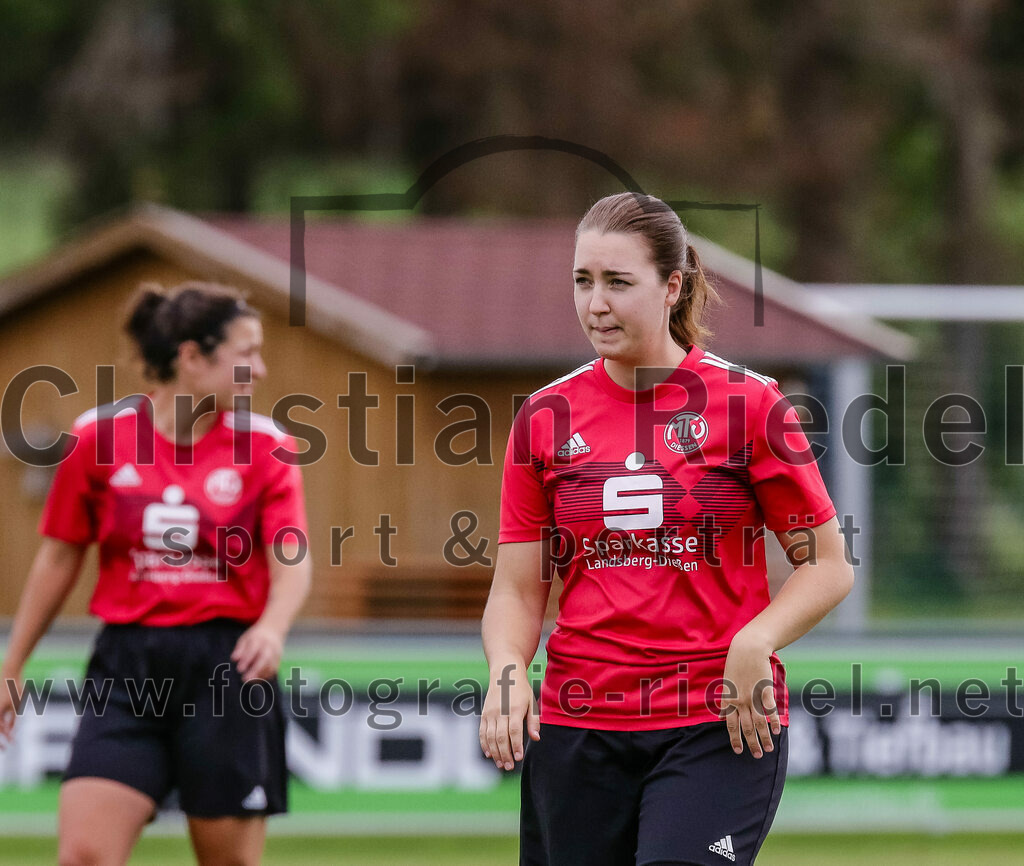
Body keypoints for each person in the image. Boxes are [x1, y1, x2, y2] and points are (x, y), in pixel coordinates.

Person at [479, 193, 854, 866]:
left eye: (618, 282)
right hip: (578, 723)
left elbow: (827, 564)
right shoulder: (543, 417)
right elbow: (516, 588)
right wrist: (507, 667)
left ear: (672, 286)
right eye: (583, 281)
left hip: (716, 721)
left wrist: (757, 638)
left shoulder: (749, 405)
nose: (596, 304)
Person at [0, 282, 311, 866]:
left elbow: (291, 556)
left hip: (227, 666)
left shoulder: (267, 446)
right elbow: (59, 557)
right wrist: (12, 664)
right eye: (246, 353)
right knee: (84, 856)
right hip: (127, 667)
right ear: (192, 357)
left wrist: (272, 626)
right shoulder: (97, 437)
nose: (260, 370)